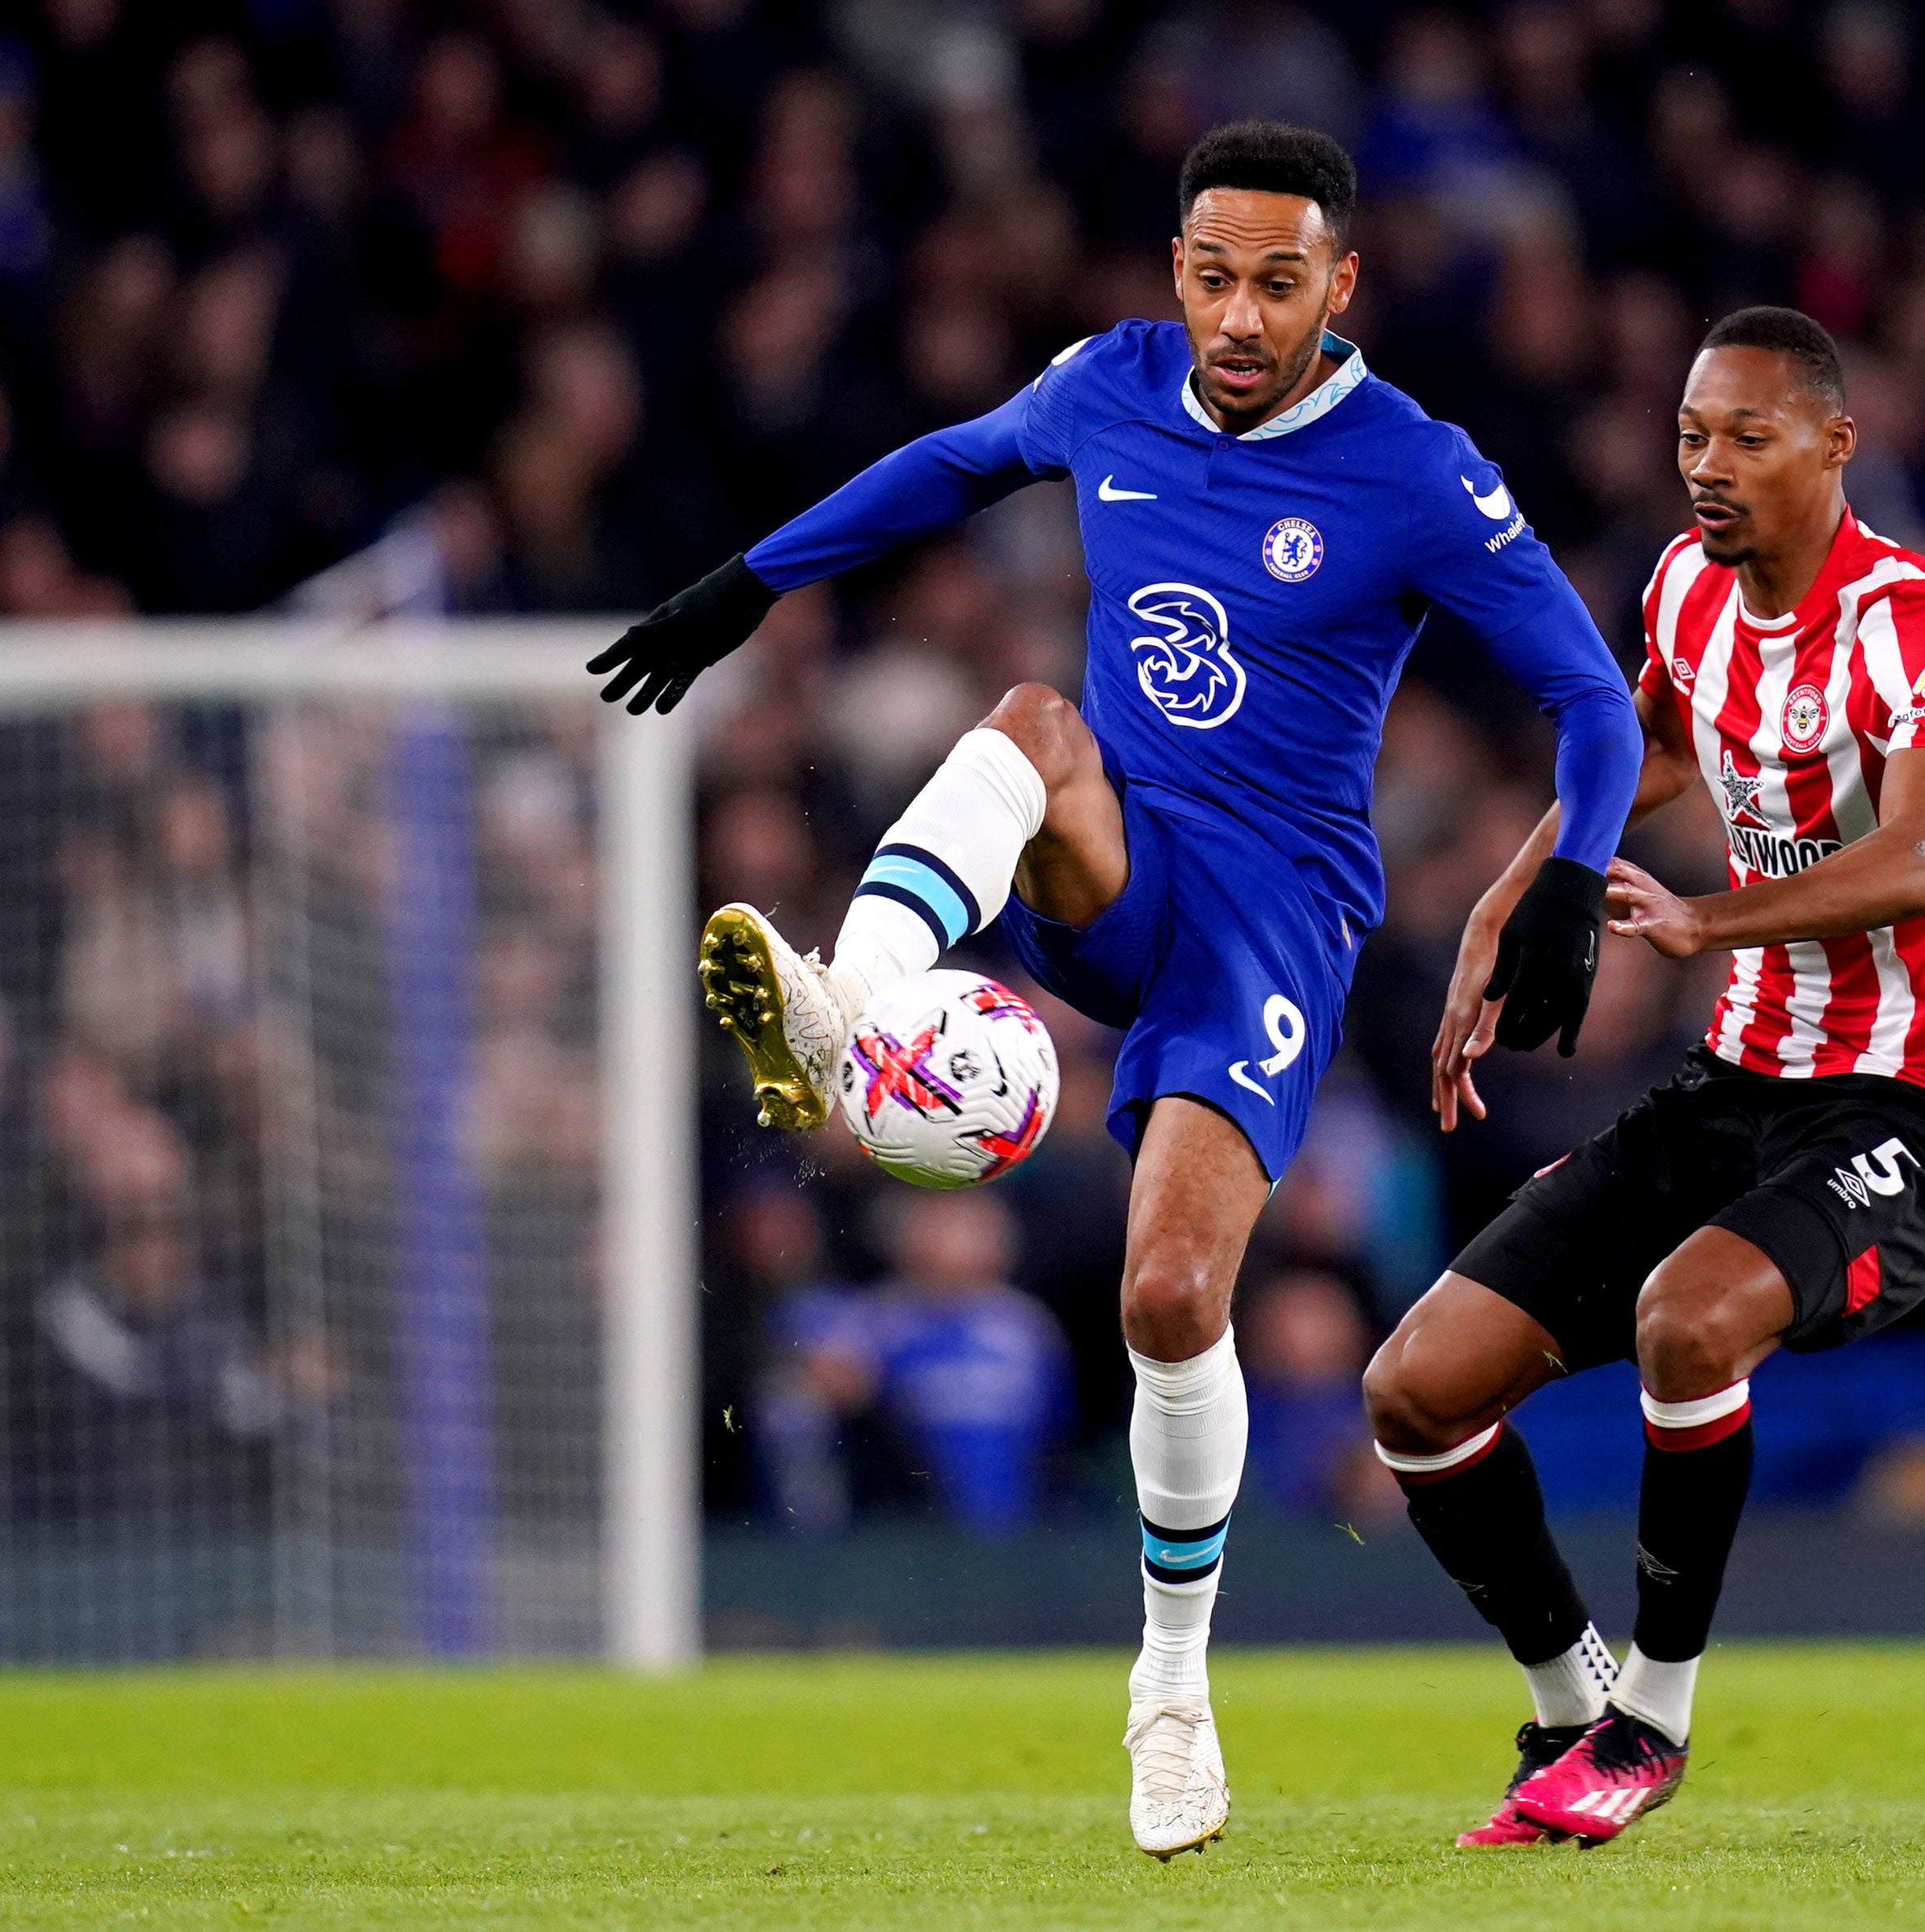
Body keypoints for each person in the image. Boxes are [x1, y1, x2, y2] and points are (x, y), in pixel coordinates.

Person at [587, 121, 1640, 1857]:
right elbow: (948, 460)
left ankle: (1169, 1685)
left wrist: (1574, 874)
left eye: (1278, 281)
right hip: (1119, 869)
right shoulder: (1110, 384)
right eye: (1213, 274)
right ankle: (853, 1000)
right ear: (1175, 269)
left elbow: (1592, 700)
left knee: (1167, 1295)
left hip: (1270, 929)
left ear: (1340, 285)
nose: (1239, 313)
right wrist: (744, 588)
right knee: (1031, 724)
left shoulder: (1415, 471)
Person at [1361, 307, 1925, 1848]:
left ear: (1835, 445)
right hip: (1744, 1080)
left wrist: (1701, 919)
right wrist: (1517, 892)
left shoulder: (1922, 626)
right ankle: (1564, 1700)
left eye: (1747, 437)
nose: (1708, 469)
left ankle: (1650, 1726)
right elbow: (1653, 756)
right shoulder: (1685, 588)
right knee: (1415, 1389)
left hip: (1923, 1108)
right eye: (1690, 437)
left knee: (1689, 1315)